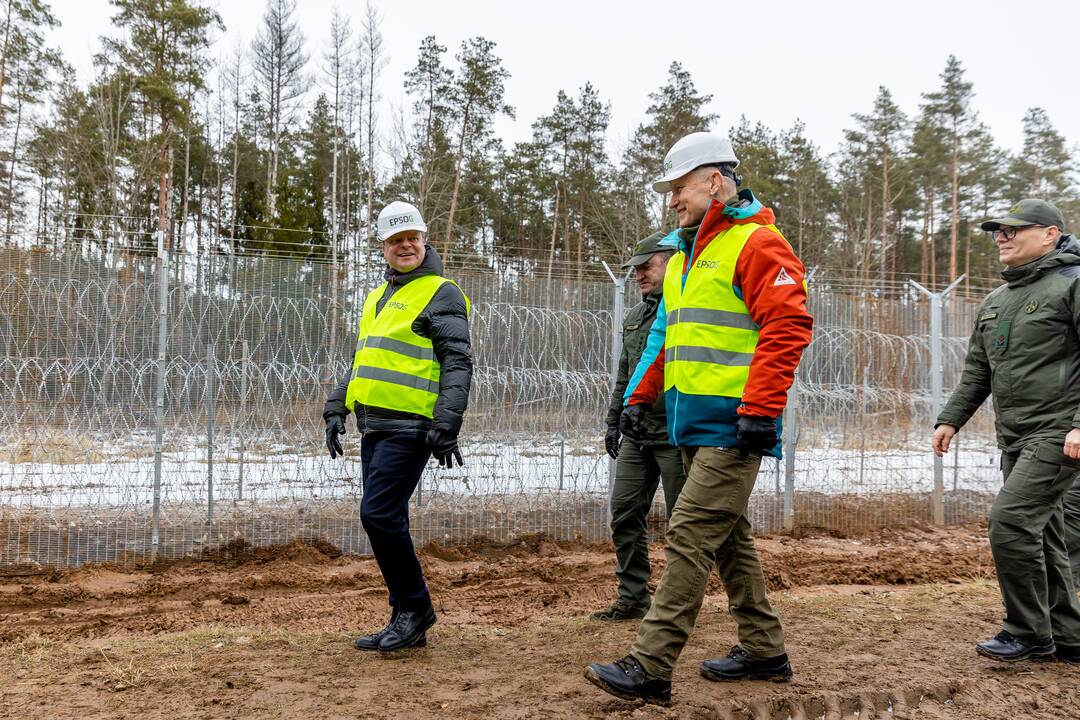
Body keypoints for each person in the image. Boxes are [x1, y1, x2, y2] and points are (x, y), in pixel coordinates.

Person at [584, 132, 814, 705]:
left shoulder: (757, 243)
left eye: (678, 188)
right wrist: (640, 398)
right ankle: (765, 651)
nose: (671, 201)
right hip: (692, 425)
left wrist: (761, 410)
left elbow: (787, 328)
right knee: (730, 539)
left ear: (714, 181)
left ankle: (650, 666)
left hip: (735, 427)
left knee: (688, 534)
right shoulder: (688, 254)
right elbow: (671, 340)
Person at [933, 198, 1080, 665]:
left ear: (1050, 234)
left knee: (1010, 522)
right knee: (1046, 534)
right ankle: (1068, 635)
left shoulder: (1073, 285)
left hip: (1059, 431)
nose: (1002, 236)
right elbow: (978, 370)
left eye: (1014, 229)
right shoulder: (997, 301)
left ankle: (1027, 632)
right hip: (1015, 435)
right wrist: (950, 418)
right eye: (998, 230)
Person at [322, 200, 472, 653]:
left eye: (412, 238)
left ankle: (415, 609)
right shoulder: (377, 297)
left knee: (378, 515)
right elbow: (366, 358)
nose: (405, 246)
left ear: (424, 241)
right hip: (375, 423)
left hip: (411, 424)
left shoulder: (441, 291)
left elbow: (457, 361)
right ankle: (405, 615)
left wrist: (448, 419)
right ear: (384, 247)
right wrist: (337, 405)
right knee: (388, 517)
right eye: (395, 240)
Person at [592, 231, 687, 622]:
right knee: (624, 513)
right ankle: (633, 598)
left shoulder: (686, 309)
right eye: (634, 271)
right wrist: (614, 420)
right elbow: (626, 374)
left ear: (670, 262)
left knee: (686, 526)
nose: (638, 276)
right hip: (637, 432)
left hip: (675, 433)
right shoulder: (636, 317)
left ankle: (678, 606)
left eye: (646, 267)